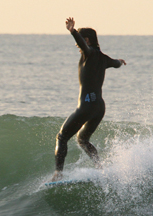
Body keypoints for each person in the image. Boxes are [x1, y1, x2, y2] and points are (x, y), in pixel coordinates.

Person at [52, 17, 126, 179]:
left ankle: (58, 173)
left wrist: (72, 31)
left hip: (86, 106)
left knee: (62, 137)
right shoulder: (104, 58)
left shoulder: (89, 53)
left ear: (86, 40)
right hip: (99, 107)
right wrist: (120, 61)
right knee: (82, 139)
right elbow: (115, 63)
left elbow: (84, 46)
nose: (77, 45)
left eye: (80, 41)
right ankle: (101, 169)